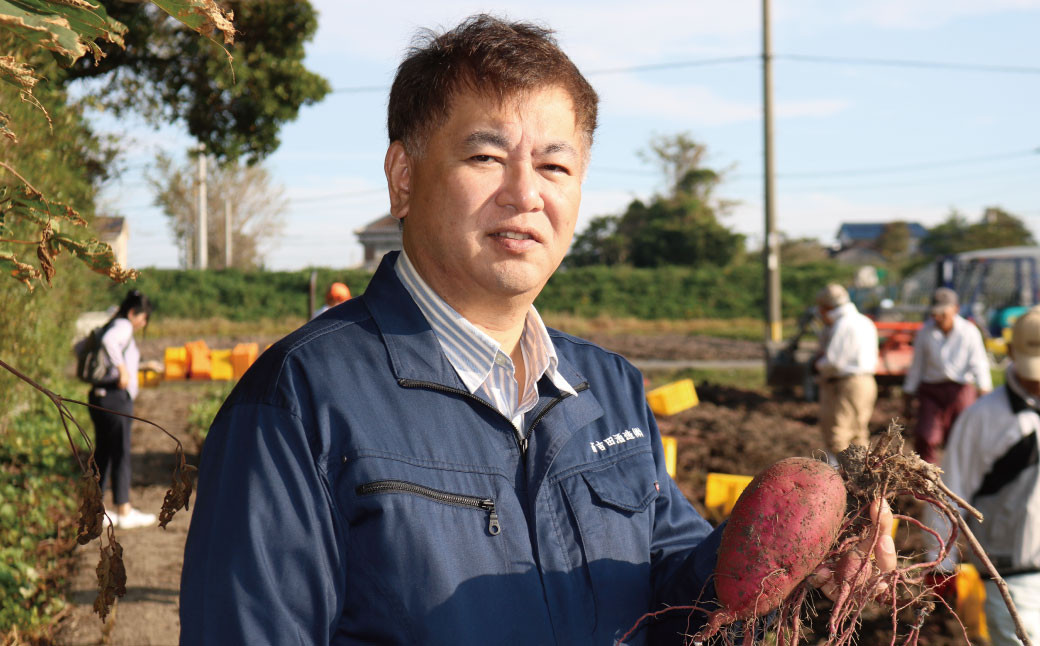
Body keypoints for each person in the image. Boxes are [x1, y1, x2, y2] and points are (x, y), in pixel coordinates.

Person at [179, 15, 894, 645]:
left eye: (555, 164)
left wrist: (787, 568)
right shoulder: (299, 401)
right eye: (486, 157)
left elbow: (673, 607)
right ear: (403, 177)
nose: (526, 194)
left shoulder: (608, 388)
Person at [922, 306, 1040, 645]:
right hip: (1015, 581)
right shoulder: (984, 418)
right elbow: (950, 489)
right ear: (1012, 353)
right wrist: (939, 560)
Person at [87, 289, 156, 530]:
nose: (143, 323)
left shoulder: (111, 323)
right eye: (144, 317)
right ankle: (124, 510)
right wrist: (122, 370)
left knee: (104, 454)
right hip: (115, 399)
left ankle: (98, 509)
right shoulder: (123, 326)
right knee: (121, 453)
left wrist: (136, 366)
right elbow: (109, 344)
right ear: (133, 313)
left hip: (100, 396)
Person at [903, 286, 992, 463]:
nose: (938, 318)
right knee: (925, 436)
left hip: (960, 389)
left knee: (961, 437)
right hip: (931, 390)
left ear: (956, 309)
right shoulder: (925, 332)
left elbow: (979, 363)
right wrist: (908, 392)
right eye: (935, 313)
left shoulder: (968, 331)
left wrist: (984, 390)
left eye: (943, 313)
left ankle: (959, 480)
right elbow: (917, 365)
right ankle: (926, 483)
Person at [813, 283, 878, 458]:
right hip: (865, 382)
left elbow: (833, 362)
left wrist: (816, 365)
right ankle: (864, 480)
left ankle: (842, 481)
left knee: (838, 436)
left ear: (826, 307)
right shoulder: (864, 321)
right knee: (858, 434)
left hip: (846, 384)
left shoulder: (843, 325)